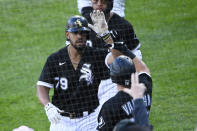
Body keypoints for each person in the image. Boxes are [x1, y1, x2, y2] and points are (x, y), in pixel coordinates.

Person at [36, 13, 122, 131]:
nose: (79, 36)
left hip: (91, 119)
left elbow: (119, 59)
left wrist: (106, 35)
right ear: (67, 35)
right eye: (75, 33)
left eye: (83, 32)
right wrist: (47, 106)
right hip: (62, 122)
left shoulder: (97, 55)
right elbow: (42, 86)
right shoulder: (55, 59)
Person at [78, 0, 143, 108]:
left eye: (103, 1)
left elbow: (134, 59)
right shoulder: (83, 25)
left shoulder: (123, 26)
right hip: (90, 82)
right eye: (96, 0)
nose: (99, 3)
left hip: (113, 83)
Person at [97, 55, 153, 131]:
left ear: (113, 77)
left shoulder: (110, 106)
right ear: (133, 72)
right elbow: (143, 69)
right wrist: (126, 51)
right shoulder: (144, 88)